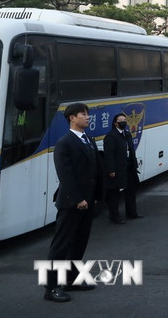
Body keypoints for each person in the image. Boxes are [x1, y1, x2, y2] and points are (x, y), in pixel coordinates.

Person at [43, 103, 104, 303]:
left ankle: (70, 279)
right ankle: (51, 287)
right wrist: (78, 198)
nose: (87, 117)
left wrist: (99, 195)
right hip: (71, 202)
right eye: (83, 114)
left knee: (79, 243)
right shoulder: (65, 143)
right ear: (72, 118)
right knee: (61, 245)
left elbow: (96, 168)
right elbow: (65, 175)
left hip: (88, 201)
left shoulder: (88, 140)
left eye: (87, 114)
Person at [103, 113, 142, 224]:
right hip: (117, 168)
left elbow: (131, 150)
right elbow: (109, 155)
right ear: (115, 123)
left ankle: (132, 213)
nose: (124, 122)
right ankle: (115, 217)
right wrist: (111, 170)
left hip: (129, 166)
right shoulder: (111, 136)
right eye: (121, 121)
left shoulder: (127, 134)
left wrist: (135, 164)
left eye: (125, 120)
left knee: (131, 190)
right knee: (114, 193)